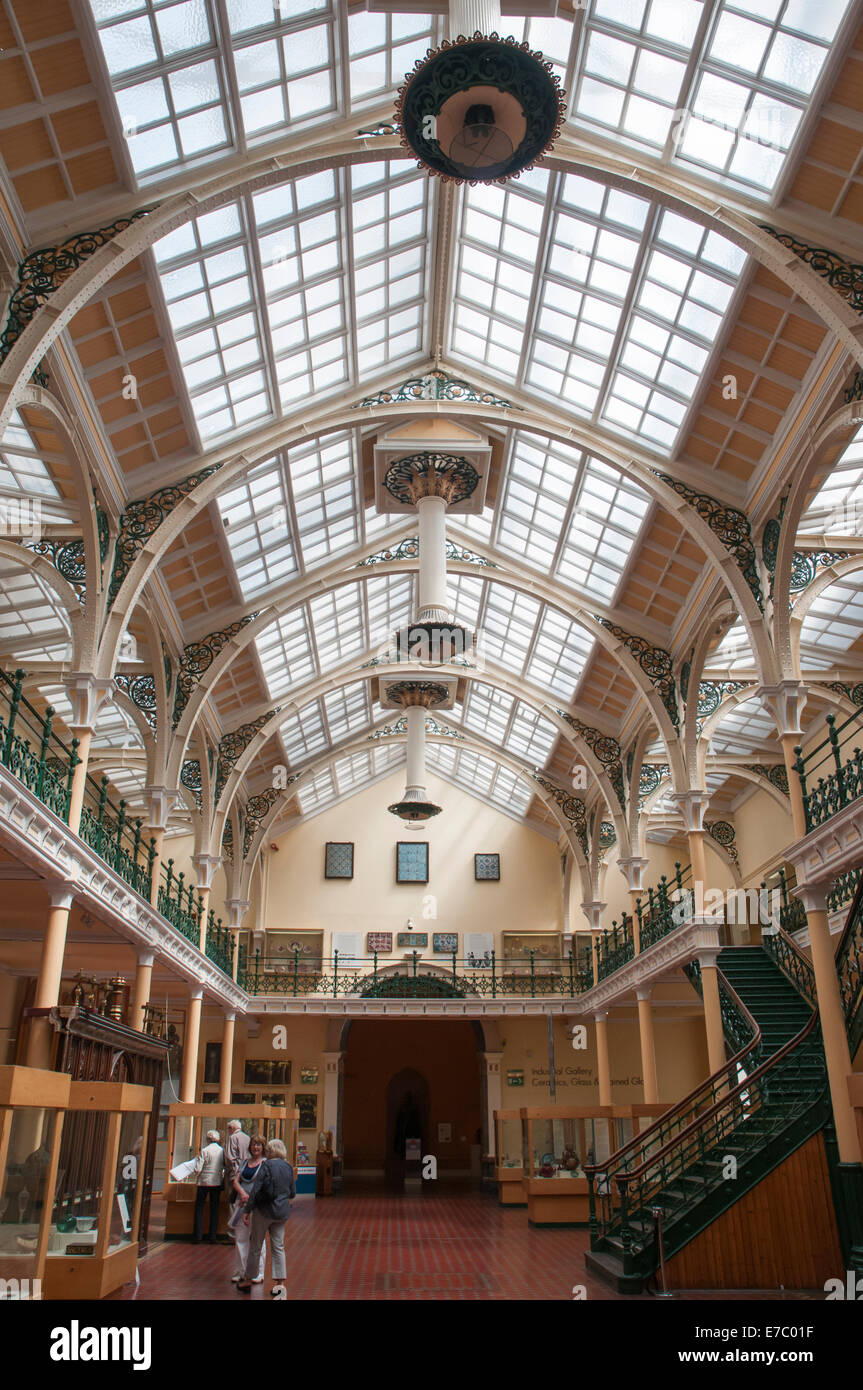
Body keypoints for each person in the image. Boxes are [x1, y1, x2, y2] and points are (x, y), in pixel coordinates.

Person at [236, 1138, 295, 1298]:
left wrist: (248, 1210)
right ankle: (280, 1284)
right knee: (278, 1246)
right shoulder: (288, 1167)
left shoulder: (266, 1166)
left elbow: (256, 1190)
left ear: (269, 1150)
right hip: (281, 1213)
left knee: (255, 1245)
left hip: (263, 1211)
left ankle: (249, 1279)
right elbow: (292, 1192)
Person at [230, 1132, 266, 1285]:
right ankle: (241, 1270)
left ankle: (258, 1271)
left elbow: (264, 1185)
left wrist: (251, 1197)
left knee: (258, 1239)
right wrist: (243, 1194)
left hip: (257, 1206)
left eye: (258, 1144)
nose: (256, 1147)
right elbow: (236, 1181)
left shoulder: (265, 1164)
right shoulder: (245, 1162)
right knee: (241, 1238)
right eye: (253, 1144)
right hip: (242, 1205)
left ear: (263, 1147)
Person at [193, 1129, 224, 1244]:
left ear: (208, 1139)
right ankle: (213, 1236)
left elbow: (198, 1169)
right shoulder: (222, 1151)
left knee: (199, 1208)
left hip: (204, 1182)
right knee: (214, 1209)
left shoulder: (204, 1150)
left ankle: (198, 1236)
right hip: (216, 1182)